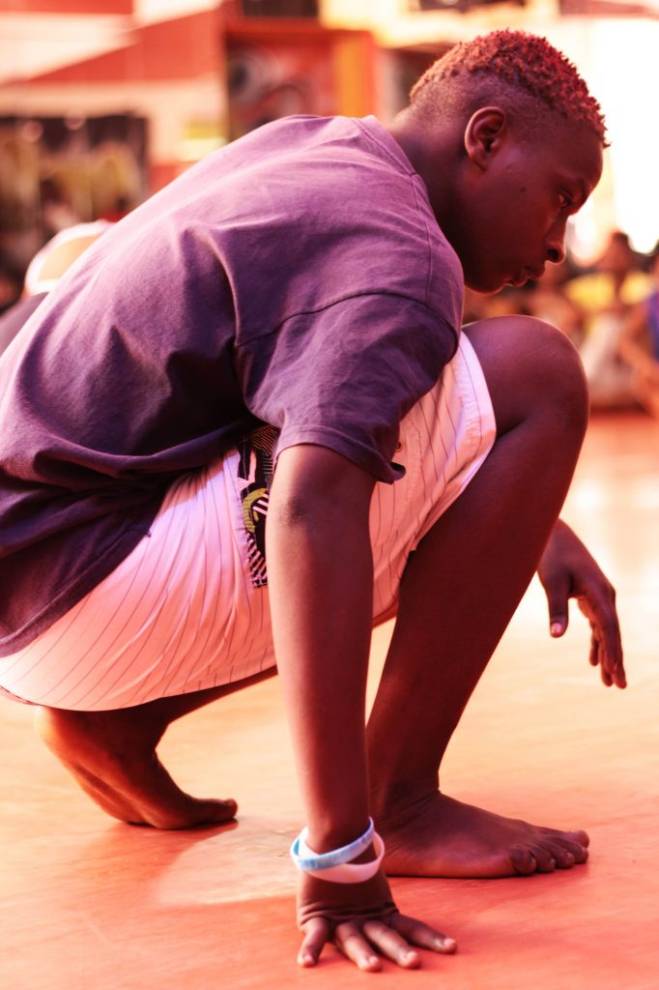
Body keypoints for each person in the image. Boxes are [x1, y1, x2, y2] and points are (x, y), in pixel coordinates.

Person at [0, 30, 625, 972]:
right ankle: (395, 801)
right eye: (561, 199)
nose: (556, 242)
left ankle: (115, 725)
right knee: (535, 370)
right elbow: (309, 513)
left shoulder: (315, 150)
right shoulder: (400, 253)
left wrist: (529, 517)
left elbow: (291, 397)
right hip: (88, 578)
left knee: (383, 456)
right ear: (486, 138)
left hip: (36, 576)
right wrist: (339, 856)